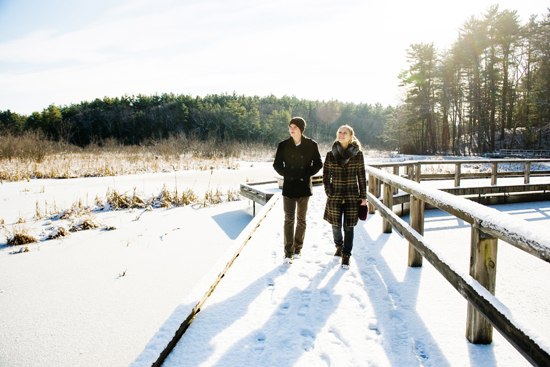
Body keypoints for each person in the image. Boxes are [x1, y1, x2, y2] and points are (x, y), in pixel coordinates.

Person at [273, 117, 323, 264]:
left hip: (303, 187)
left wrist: (305, 173)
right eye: (290, 126)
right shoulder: (283, 145)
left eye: (295, 127)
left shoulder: (311, 144)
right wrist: (288, 174)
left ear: (301, 129)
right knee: (289, 219)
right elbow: (277, 164)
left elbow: (318, 163)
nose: (291, 129)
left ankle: (298, 248)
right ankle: (288, 252)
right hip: (289, 187)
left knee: (301, 220)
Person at [322, 125, 367, 269]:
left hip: (351, 197)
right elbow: (325, 176)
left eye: (345, 133)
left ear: (351, 136)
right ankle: (339, 246)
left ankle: (346, 255)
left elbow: (361, 177)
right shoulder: (330, 154)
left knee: (349, 227)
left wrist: (363, 197)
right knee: (335, 226)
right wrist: (329, 192)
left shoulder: (358, 154)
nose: (341, 134)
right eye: (339, 132)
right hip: (335, 197)